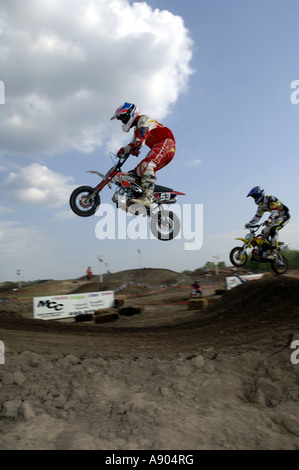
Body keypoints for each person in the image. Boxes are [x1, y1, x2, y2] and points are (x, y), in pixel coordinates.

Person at [111, 102, 176, 208]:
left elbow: (142, 134)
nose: (123, 121)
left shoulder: (143, 119)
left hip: (167, 143)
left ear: (130, 114)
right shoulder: (137, 129)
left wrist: (137, 144)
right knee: (137, 171)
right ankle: (138, 197)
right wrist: (124, 149)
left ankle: (147, 197)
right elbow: (134, 143)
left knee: (148, 164)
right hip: (158, 147)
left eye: (123, 118)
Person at [245, 186, 290, 258]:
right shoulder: (261, 205)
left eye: (255, 196)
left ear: (260, 194)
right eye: (253, 197)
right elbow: (257, 216)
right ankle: (265, 251)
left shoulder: (270, 199)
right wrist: (250, 224)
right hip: (275, 218)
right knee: (263, 232)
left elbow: (276, 209)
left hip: (283, 216)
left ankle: (274, 252)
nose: (255, 198)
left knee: (273, 229)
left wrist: (269, 219)